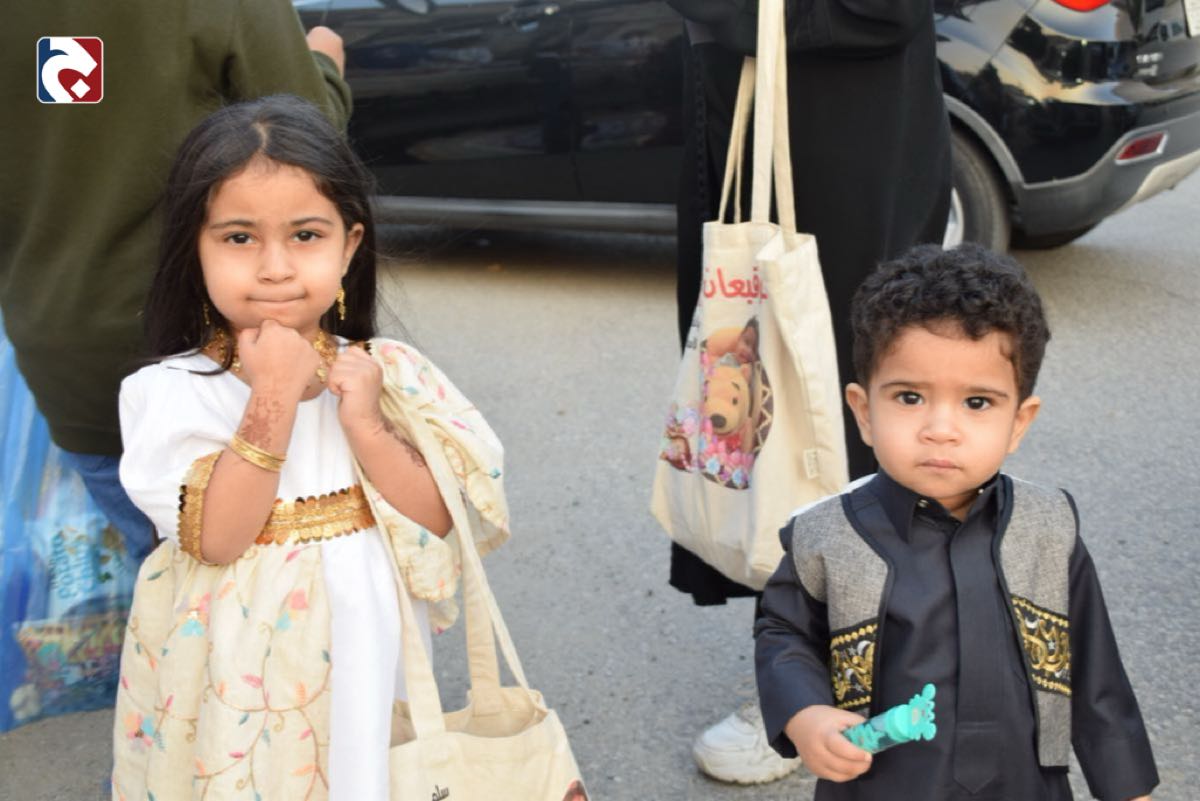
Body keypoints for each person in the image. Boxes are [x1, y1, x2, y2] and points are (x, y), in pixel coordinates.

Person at [110, 96, 511, 800]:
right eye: (239, 237)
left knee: (363, 772)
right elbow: (218, 538)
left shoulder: (388, 374)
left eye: (305, 234)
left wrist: (368, 426)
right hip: (235, 668)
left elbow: (443, 517)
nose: (275, 267)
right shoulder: (167, 393)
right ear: (194, 247)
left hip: (368, 646)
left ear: (349, 246)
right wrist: (271, 396)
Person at [665, 0, 953, 783]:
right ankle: (809, 678)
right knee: (759, 401)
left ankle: (844, 686)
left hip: (848, 136)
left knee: (844, 404)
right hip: (749, 115)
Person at [754, 243, 1158, 800]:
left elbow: (1095, 672)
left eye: (977, 403)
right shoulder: (826, 538)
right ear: (864, 412)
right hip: (881, 788)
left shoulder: (1048, 531)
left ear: (1020, 422)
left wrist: (1128, 789)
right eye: (910, 397)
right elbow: (784, 634)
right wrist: (805, 713)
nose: (940, 429)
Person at [1, 3, 352, 562]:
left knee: (161, 579)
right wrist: (325, 64)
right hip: (212, 349)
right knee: (257, 587)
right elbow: (304, 136)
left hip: (63, 352)